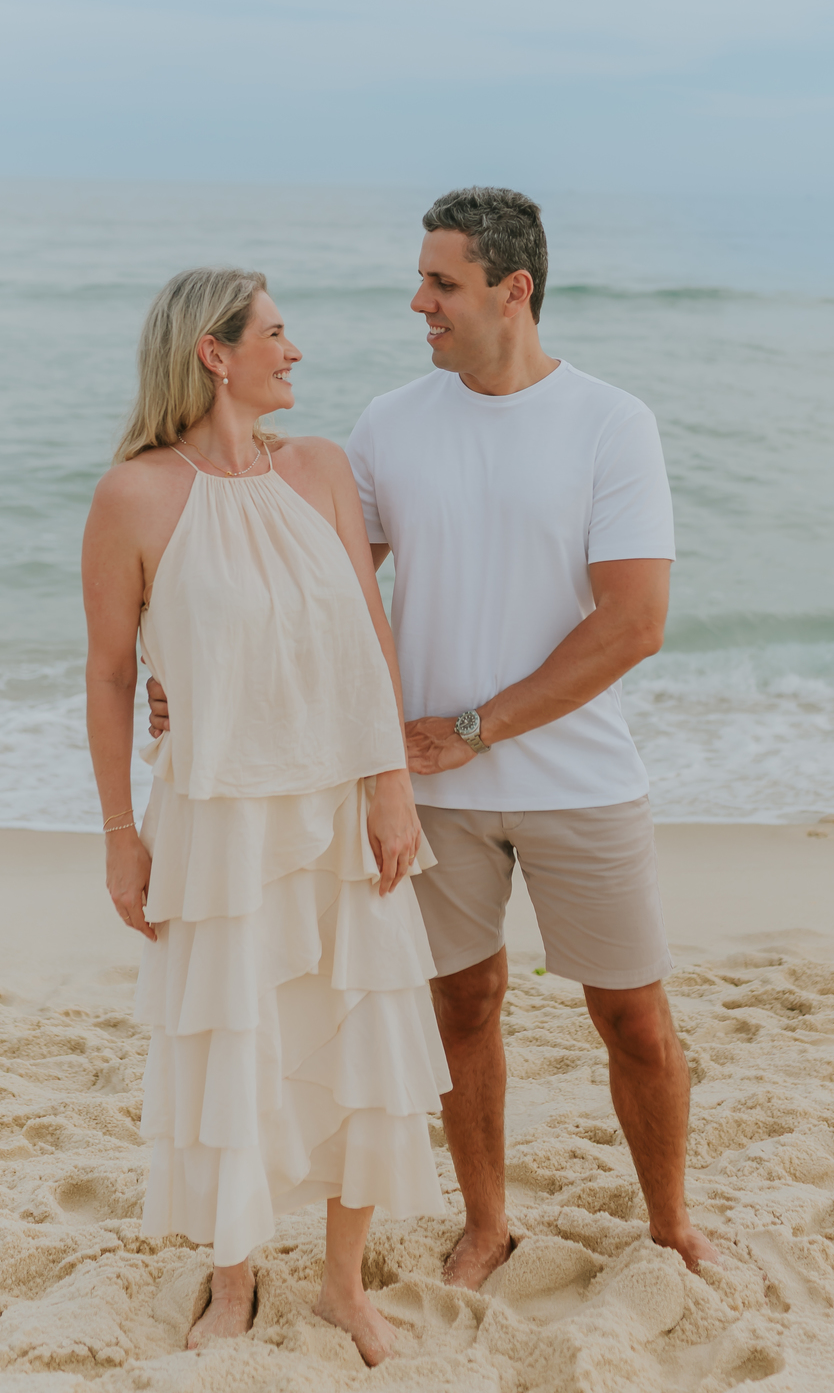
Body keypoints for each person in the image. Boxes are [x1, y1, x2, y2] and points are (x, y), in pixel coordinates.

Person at [149, 191, 718, 1288]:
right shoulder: (389, 426)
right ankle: (486, 1223)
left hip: (575, 778)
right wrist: (191, 683)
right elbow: (300, 594)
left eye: (441, 283)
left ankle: (670, 1224)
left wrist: (475, 728)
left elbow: (634, 623)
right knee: (462, 1006)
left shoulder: (612, 423)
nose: (420, 302)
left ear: (515, 289)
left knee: (635, 1017)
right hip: (423, 789)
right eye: (422, 280)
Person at [82, 267, 450, 1367]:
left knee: (362, 1039)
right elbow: (108, 676)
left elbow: (366, 640)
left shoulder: (326, 470)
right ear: (214, 352)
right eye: (278, 335)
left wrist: (391, 786)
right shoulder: (134, 496)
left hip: (341, 803)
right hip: (218, 818)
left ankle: (342, 1285)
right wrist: (119, 835)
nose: (295, 353)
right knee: (236, 1040)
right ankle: (235, 1284)